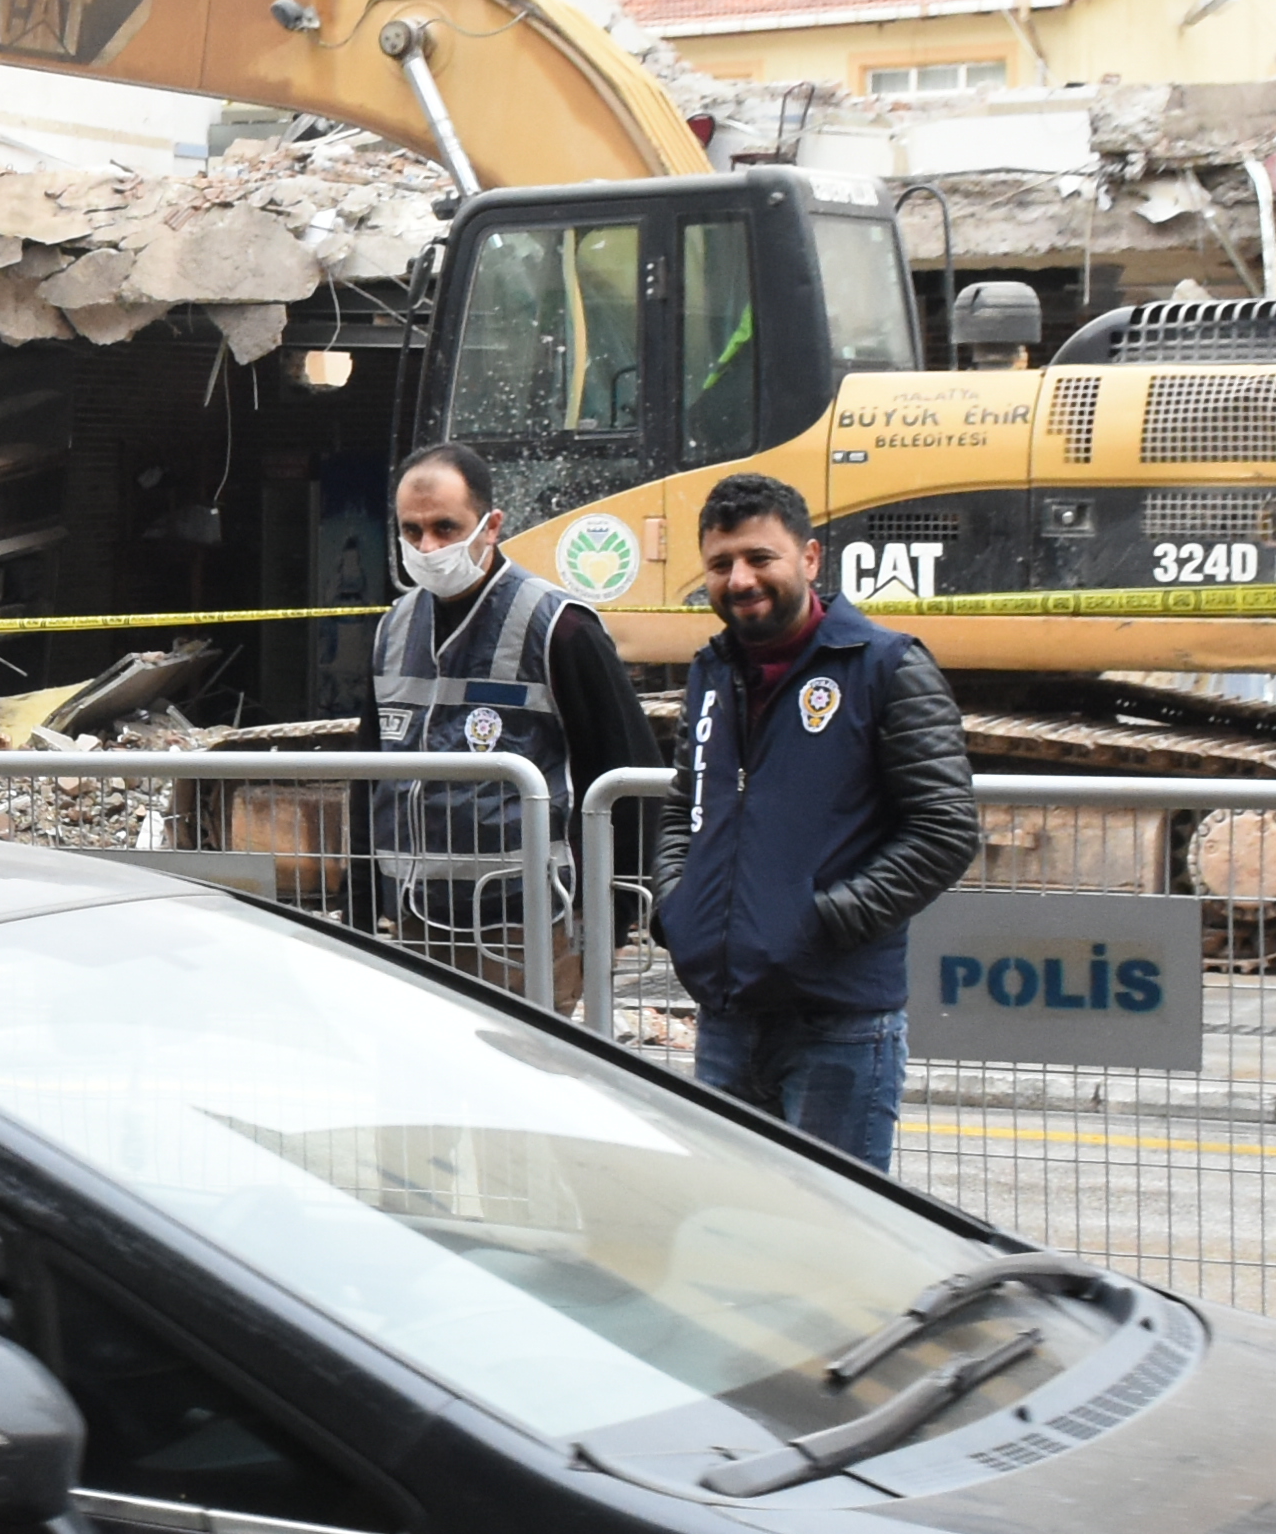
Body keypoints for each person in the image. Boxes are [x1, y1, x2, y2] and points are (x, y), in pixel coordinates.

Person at [658, 473, 978, 1172]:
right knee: (731, 1238)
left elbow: (945, 830)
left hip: (839, 1027)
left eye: (759, 558)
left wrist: (823, 920)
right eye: (721, 564)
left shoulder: (887, 667)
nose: (740, 579)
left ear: (809, 558)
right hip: (727, 1020)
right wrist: (677, 903)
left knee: (839, 1254)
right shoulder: (711, 672)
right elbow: (685, 806)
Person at [362, 438, 648, 990]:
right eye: (411, 530)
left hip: (527, 927)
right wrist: (361, 904)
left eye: (446, 528)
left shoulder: (558, 628)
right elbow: (368, 774)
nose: (427, 545)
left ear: (490, 526)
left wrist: (609, 922)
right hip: (416, 922)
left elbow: (621, 772)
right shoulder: (392, 630)